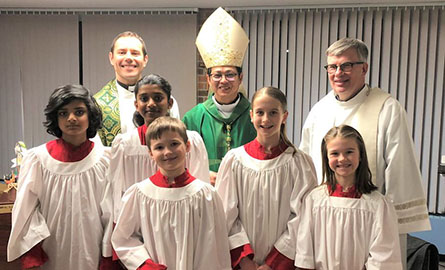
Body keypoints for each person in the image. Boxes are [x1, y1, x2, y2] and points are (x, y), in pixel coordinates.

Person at [299, 37, 430, 268]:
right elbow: (306, 166)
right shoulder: (319, 111)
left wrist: (392, 228)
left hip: (370, 222)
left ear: (364, 68)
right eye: (333, 66)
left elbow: (400, 170)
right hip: (324, 222)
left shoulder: (387, 108)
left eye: (347, 65)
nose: (338, 73)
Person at [7, 85, 113, 269]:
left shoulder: (106, 159)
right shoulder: (38, 159)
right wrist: (32, 249)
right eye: (63, 113)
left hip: (92, 248)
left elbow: (112, 210)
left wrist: (108, 252)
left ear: (90, 116)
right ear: (56, 118)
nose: (71, 118)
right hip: (52, 249)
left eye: (79, 112)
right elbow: (26, 209)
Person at [216, 87, 317, 270]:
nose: (265, 119)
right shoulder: (235, 161)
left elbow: (303, 218)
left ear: (284, 116)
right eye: (260, 112)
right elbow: (225, 214)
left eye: (273, 113)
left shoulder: (299, 163)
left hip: (284, 264)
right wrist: (244, 260)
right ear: (251, 115)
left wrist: (274, 263)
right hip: (244, 264)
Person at [111, 116, 231, 270]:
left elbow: (216, 248)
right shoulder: (139, 194)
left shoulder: (206, 195)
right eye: (159, 147)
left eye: (174, 144)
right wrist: (146, 266)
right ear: (150, 153)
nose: (167, 152)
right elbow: (123, 238)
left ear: (187, 146)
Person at [295, 125, 402, 270]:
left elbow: (383, 257)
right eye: (334, 153)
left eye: (349, 152)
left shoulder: (378, 205)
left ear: (361, 155)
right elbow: (305, 251)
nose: (342, 159)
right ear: (326, 157)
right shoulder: (314, 200)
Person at [109, 74, 210, 225]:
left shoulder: (190, 141)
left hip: (183, 218)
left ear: (169, 103)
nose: (151, 104)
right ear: (136, 104)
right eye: (144, 99)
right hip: (139, 222)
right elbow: (116, 194)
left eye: (157, 98)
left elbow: (200, 186)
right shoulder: (124, 145)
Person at [182, 7, 256, 185]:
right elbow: (181, 159)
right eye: (217, 75)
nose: (223, 81)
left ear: (240, 78)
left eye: (230, 74)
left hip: (246, 188)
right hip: (206, 190)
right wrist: (202, 174)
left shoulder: (255, 116)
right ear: (208, 79)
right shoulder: (192, 118)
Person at [94, 31, 180, 146]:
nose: (128, 58)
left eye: (135, 53)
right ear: (111, 58)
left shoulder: (165, 101)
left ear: (145, 59)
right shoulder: (99, 104)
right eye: (122, 52)